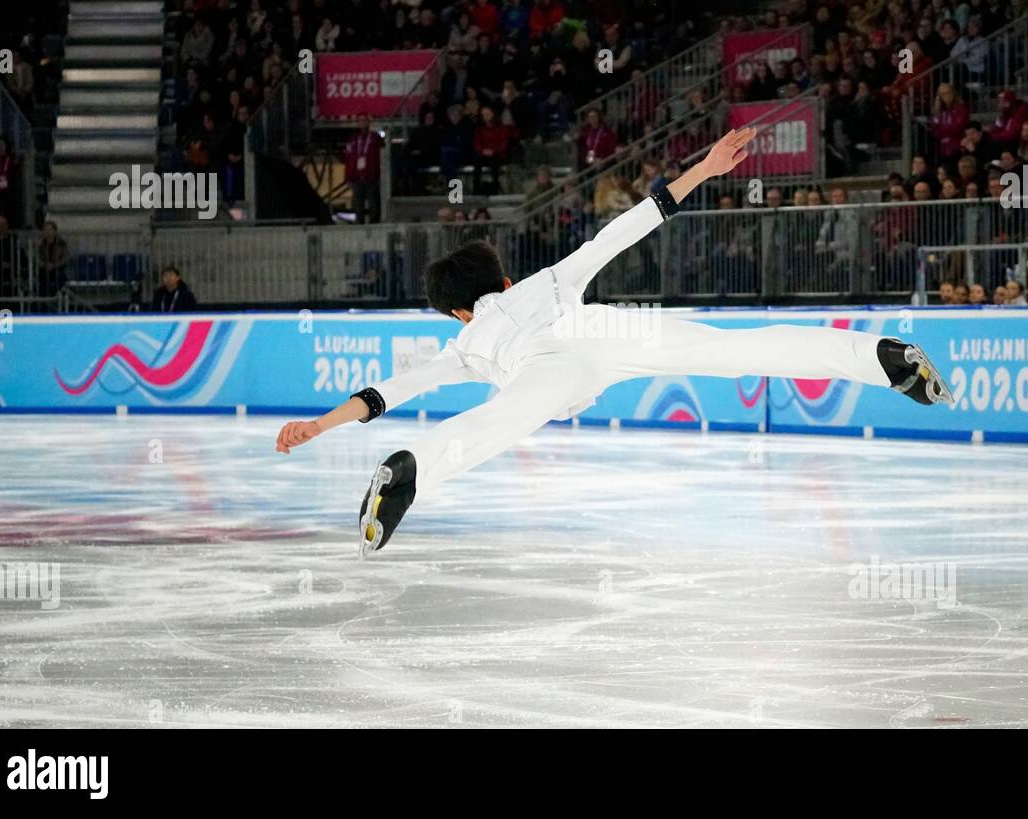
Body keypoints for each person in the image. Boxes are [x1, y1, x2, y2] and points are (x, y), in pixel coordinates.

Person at [274, 129, 955, 553]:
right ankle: (879, 358)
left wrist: (319, 423)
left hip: (544, 372)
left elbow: (384, 393)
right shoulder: (542, 280)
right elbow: (628, 225)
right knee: (737, 347)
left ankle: (412, 470)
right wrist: (707, 167)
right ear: (503, 278)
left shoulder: (464, 342)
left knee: (497, 421)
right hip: (603, 329)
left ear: (456, 310)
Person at [345, 114, 383, 224]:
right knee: (358, 205)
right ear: (357, 123)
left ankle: (374, 225)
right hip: (357, 177)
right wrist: (348, 177)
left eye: (364, 120)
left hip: (371, 176)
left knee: (374, 204)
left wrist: (378, 175)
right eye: (360, 121)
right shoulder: (353, 139)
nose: (362, 123)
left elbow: (381, 154)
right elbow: (348, 158)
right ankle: (359, 225)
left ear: (368, 122)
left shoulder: (375, 137)